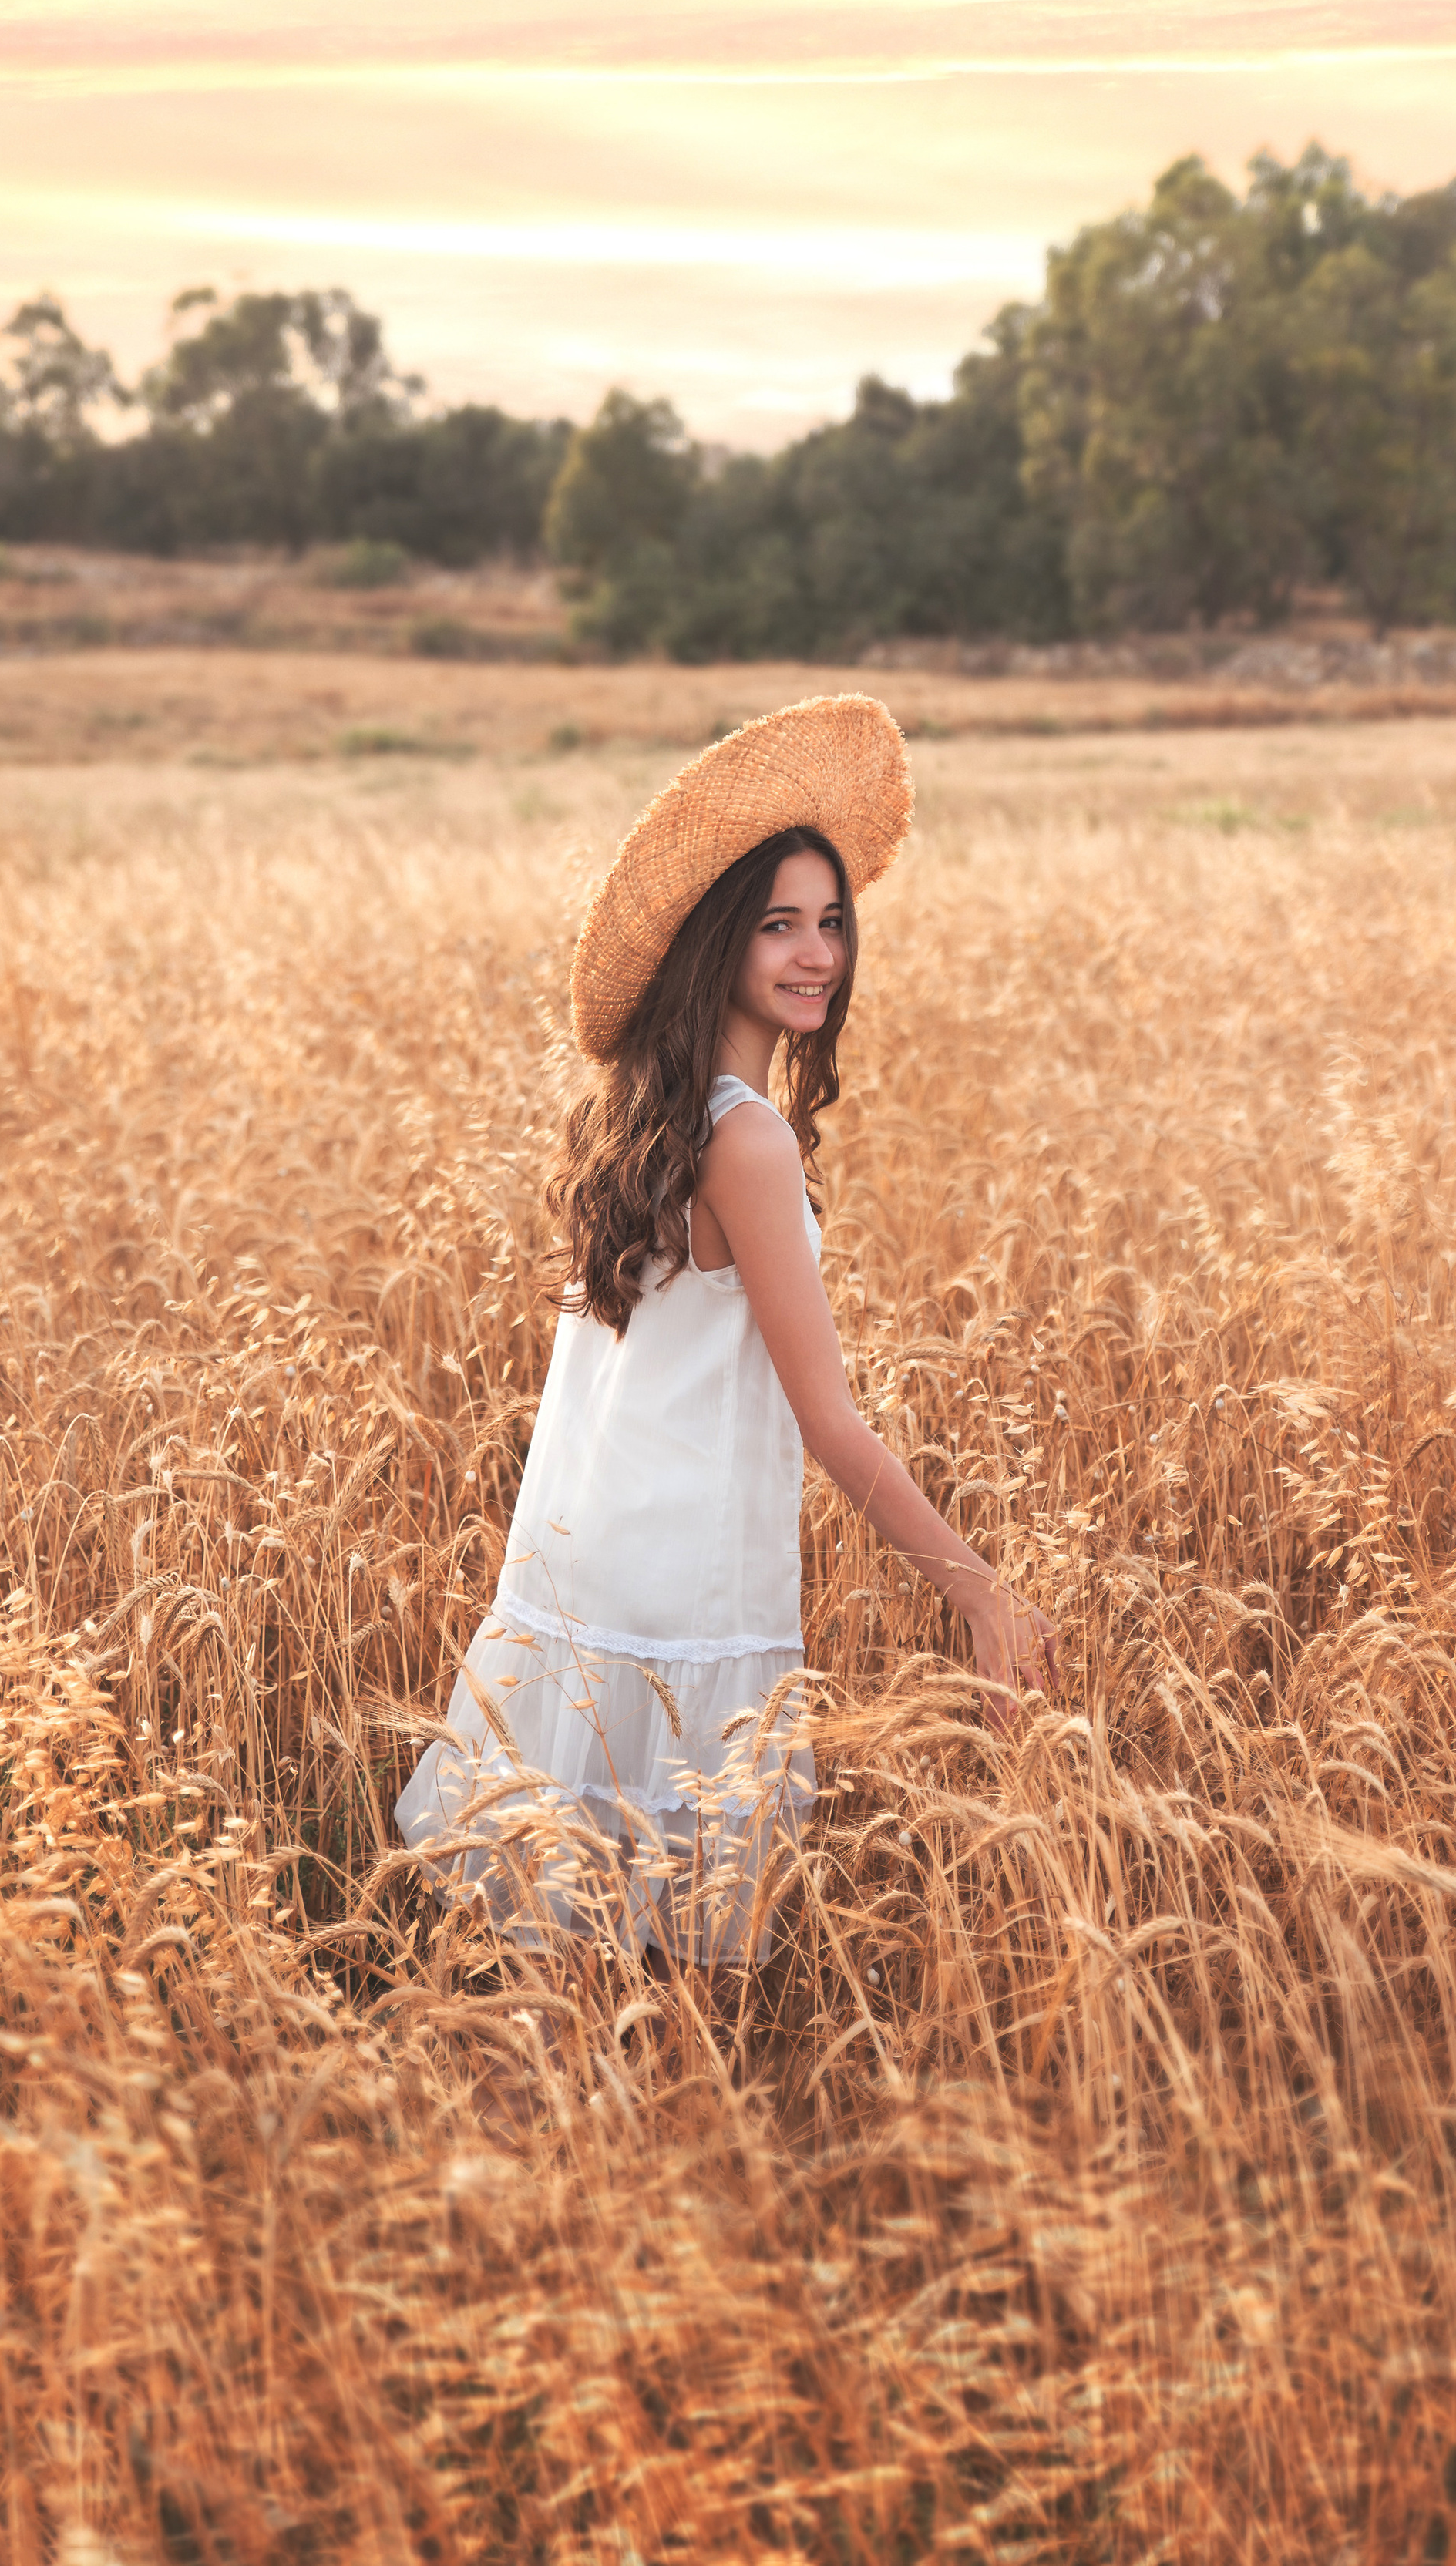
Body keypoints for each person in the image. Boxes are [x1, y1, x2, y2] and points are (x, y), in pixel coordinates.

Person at [395, 694, 1057, 1965]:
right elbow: (826, 1418)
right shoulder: (748, 1137)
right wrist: (979, 1592)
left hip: (587, 1584)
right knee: (653, 1987)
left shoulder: (651, 1114)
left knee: (551, 1968)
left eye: (832, 922)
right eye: (778, 927)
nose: (817, 954)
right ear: (719, 943)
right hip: (681, 1606)